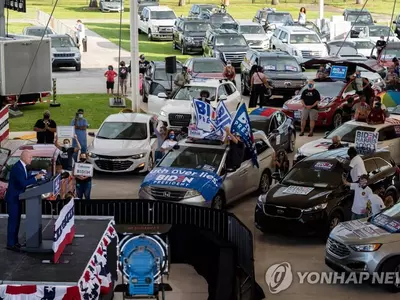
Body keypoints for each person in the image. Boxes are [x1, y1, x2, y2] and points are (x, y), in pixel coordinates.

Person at [5, 150, 44, 251]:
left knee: (16, 221)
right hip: (13, 199)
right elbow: (23, 183)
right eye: (30, 157)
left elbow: (25, 178)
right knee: (13, 222)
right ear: (24, 157)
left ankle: (15, 242)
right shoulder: (18, 168)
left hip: (17, 198)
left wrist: (36, 176)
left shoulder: (21, 166)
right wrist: (36, 178)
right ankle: (10, 244)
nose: (31, 159)